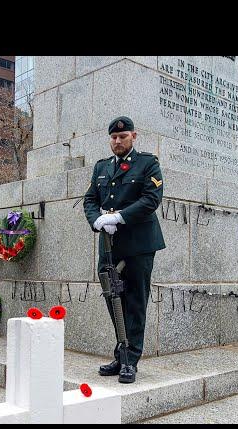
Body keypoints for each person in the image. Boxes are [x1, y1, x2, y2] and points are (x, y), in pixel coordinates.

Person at [83, 116, 165, 384]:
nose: (118, 141)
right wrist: (97, 220)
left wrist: (118, 217)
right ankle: (121, 353)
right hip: (109, 245)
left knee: (135, 302)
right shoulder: (102, 167)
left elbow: (151, 200)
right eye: (114, 138)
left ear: (133, 136)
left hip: (138, 245)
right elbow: (90, 199)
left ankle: (131, 361)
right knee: (112, 299)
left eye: (123, 137)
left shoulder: (147, 163)